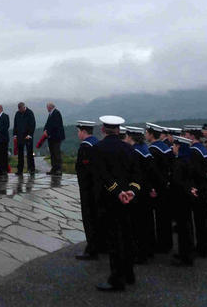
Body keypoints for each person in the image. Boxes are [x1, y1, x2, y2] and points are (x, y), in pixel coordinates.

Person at [92, 115, 141, 292]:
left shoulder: (98, 149)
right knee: (128, 237)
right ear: (119, 130)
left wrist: (117, 191)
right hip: (129, 200)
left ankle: (116, 280)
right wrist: (131, 191)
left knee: (114, 240)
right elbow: (137, 176)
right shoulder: (129, 149)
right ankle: (129, 274)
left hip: (110, 201)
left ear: (103, 130)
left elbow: (101, 175)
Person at [123, 126, 159, 263]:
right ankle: (149, 250)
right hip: (146, 190)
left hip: (137, 192)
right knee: (147, 222)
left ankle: (140, 254)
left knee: (138, 224)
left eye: (126, 135)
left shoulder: (134, 152)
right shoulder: (146, 150)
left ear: (130, 137)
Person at [183, 126, 207, 257]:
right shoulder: (202, 149)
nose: (185, 137)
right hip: (205, 186)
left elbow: (195, 172)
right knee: (205, 217)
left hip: (199, 187)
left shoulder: (194, 151)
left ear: (191, 136)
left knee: (200, 219)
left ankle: (203, 247)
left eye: (186, 135)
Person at [145, 122, 173, 253]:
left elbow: (153, 172)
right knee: (166, 215)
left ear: (151, 134)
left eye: (147, 133)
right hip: (167, 185)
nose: (145, 135)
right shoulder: (166, 147)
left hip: (158, 187)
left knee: (160, 217)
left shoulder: (153, 150)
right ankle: (167, 243)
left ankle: (162, 245)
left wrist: (152, 188)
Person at [170, 136, 197, 266]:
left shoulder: (179, 163)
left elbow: (178, 182)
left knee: (183, 229)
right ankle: (186, 252)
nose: (173, 148)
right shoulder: (188, 160)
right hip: (187, 198)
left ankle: (185, 256)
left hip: (181, 198)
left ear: (179, 147)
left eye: (174, 146)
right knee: (186, 227)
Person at [74, 121, 100, 260]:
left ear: (83, 131)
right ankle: (100, 244)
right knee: (97, 217)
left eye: (79, 131)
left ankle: (91, 249)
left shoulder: (86, 147)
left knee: (89, 218)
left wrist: (83, 187)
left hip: (88, 189)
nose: (78, 134)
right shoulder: (97, 143)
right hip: (97, 187)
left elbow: (83, 170)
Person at [13, 102, 36, 175]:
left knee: (29, 153)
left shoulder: (30, 113)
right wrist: (15, 134)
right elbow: (15, 124)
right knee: (20, 154)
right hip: (19, 137)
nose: (20, 111)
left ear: (24, 107)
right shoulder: (17, 114)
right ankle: (20, 170)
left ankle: (31, 169)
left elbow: (32, 124)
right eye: (19, 109)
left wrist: (30, 134)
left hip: (27, 137)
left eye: (21, 109)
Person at [44, 102, 65, 175]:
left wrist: (48, 132)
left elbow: (55, 125)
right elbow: (47, 124)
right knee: (52, 153)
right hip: (51, 137)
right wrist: (45, 130)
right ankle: (54, 168)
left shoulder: (56, 113)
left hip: (56, 137)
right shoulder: (50, 114)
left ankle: (59, 169)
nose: (47, 109)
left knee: (56, 153)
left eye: (47, 107)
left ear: (50, 107)